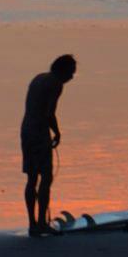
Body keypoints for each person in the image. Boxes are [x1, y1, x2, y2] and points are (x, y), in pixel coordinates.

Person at [21, 53, 77, 236]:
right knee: (46, 177)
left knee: (31, 178)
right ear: (63, 70)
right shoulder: (55, 84)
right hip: (39, 132)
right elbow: (48, 113)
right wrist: (57, 132)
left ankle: (32, 225)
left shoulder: (39, 78)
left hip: (26, 130)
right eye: (71, 72)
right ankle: (42, 223)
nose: (72, 77)